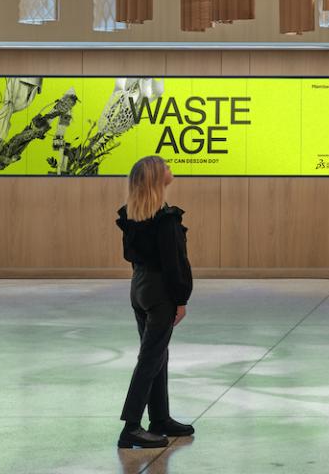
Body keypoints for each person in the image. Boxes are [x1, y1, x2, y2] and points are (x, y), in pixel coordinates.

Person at [116, 155, 195, 450]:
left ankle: (160, 419)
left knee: (156, 354)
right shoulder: (165, 220)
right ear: (156, 178)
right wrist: (181, 299)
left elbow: (130, 256)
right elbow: (174, 264)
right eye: (166, 167)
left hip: (139, 287)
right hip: (160, 292)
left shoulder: (133, 216)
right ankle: (131, 427)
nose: (170, 169)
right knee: (150, 359)